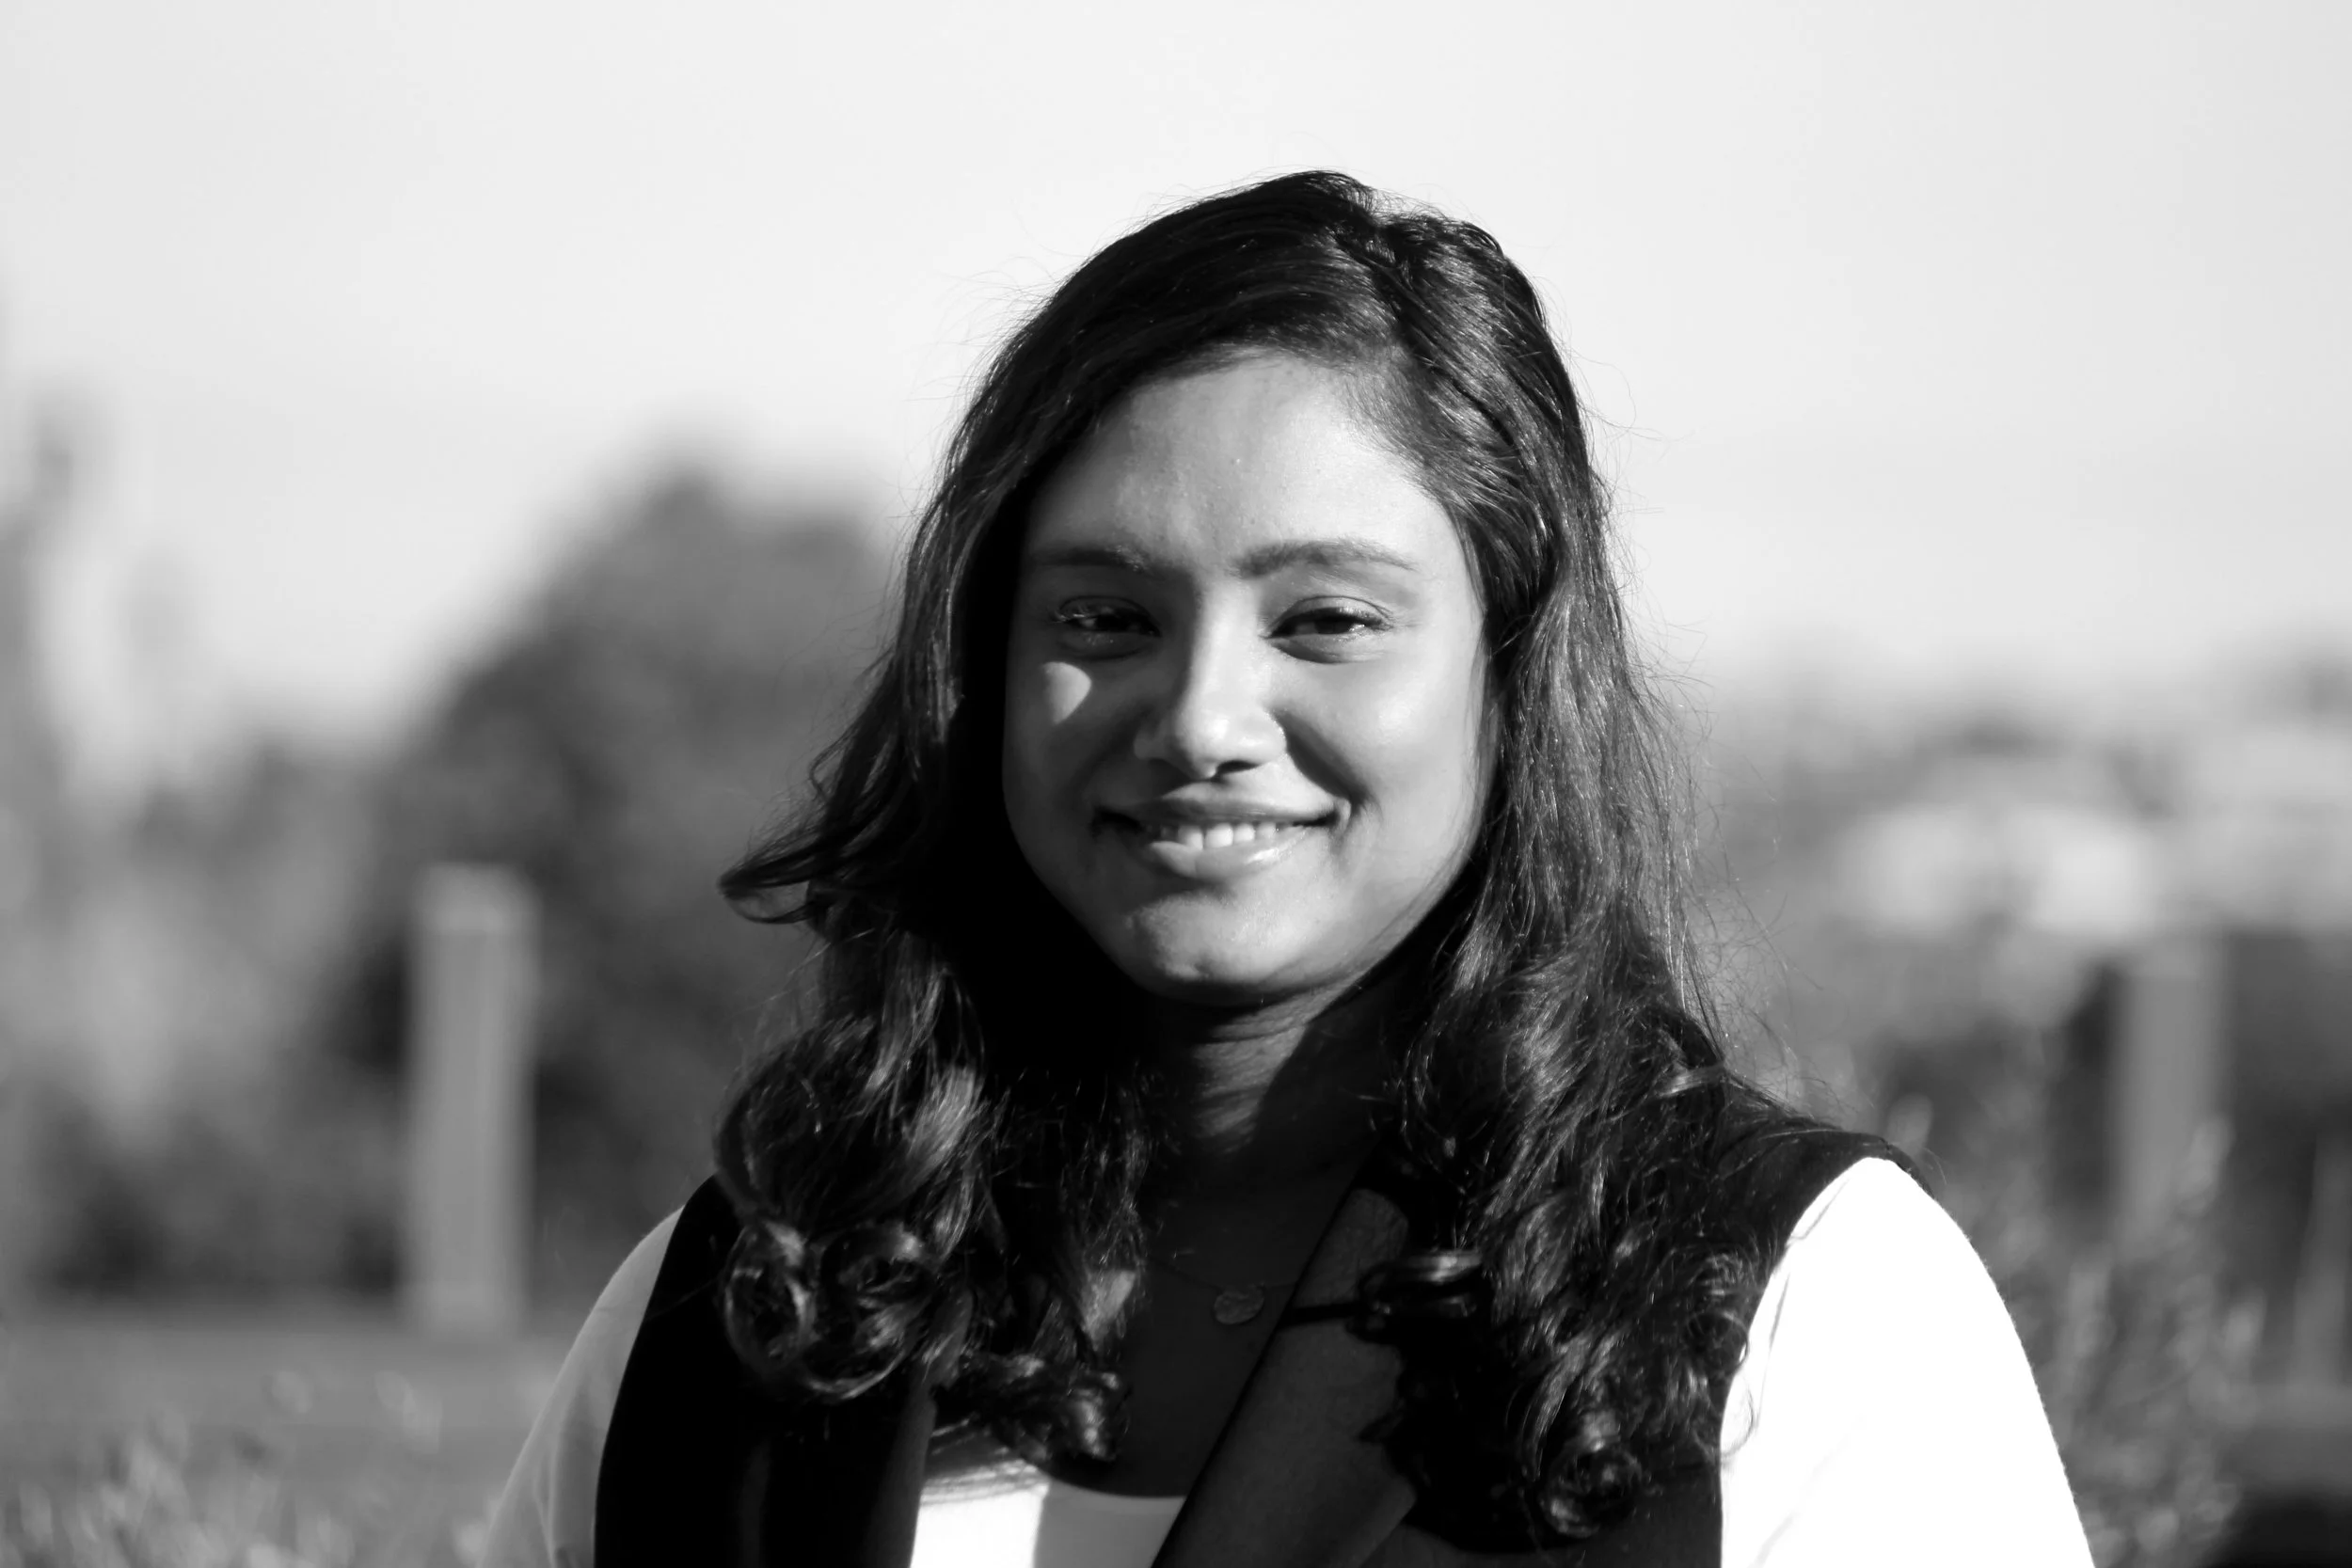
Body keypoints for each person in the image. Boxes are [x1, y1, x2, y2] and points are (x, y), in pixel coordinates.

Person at [483, 171, 2090, 1568]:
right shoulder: (744, 1311)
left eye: (1326, 619)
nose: (1200, 718)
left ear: (1510, 674)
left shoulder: (1796, 1301)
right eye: (1105, 617)